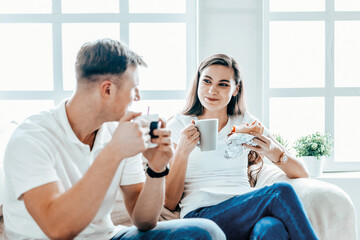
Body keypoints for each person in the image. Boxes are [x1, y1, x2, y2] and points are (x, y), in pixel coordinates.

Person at [2, 39, 226, 240]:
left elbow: (144, 221)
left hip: (109, 236)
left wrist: (157, 168)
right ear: (107, 89)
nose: (138, 97)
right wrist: (115, 151)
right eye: (134, 88)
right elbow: (58, 230)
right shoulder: (31, 138)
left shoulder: (116, 131)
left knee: (206, 232)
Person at [166, 53, 319, 240]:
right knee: (280, 192)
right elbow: (170, 202)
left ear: (236, 89)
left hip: (246, 208)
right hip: (202, 215)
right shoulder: (179, 125)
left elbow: (302, 173)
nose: (212, 90)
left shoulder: (245, 122)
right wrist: (182, 151)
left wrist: (272, 150)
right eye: (206, 81)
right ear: (198, 83)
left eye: (223, 84)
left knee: (271, 228)